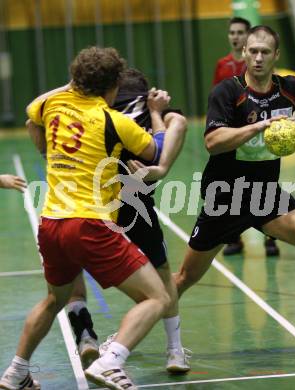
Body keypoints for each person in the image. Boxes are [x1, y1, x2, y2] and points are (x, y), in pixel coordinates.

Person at [175, 26, 295, 358]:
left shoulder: (289, 89)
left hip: (265, 194)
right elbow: (213, 143)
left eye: (265, 52)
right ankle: (128, 333)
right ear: (244, 53)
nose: (258, 57)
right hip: (226, 197)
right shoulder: (226, 92)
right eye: (253, 51)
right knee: (185, 278)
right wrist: (256, 127)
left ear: (276, 55)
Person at [0, 46, 173, 390]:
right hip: (90, 223)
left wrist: (70, 86)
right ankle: (111, 362)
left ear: (75, 79)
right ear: (112, 88)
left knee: (55, 300)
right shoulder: (115, 121)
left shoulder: (52, 105)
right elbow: (155, 152)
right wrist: (159, 115)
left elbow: (30, 112)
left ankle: (16, 372)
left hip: (51, 223)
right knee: (157, 298)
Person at [66, 68, 191, 373]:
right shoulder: (144, 119)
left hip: (93, 205)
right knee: (161, 280)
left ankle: (86, 335)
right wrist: (155, 112)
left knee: (69, 274)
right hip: (129, 203)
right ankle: (174, 350)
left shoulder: (96, 114)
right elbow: (164, 146)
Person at [213, 17, 280, 257]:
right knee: (231, 187)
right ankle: (234, 239)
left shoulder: (259, 62)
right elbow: (216, 97)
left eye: (240, 32)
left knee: (267, 184)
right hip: (233, 133)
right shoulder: (222, 64)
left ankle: (272, 238)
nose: (235, 36)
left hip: (259, 129)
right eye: (232, 32)